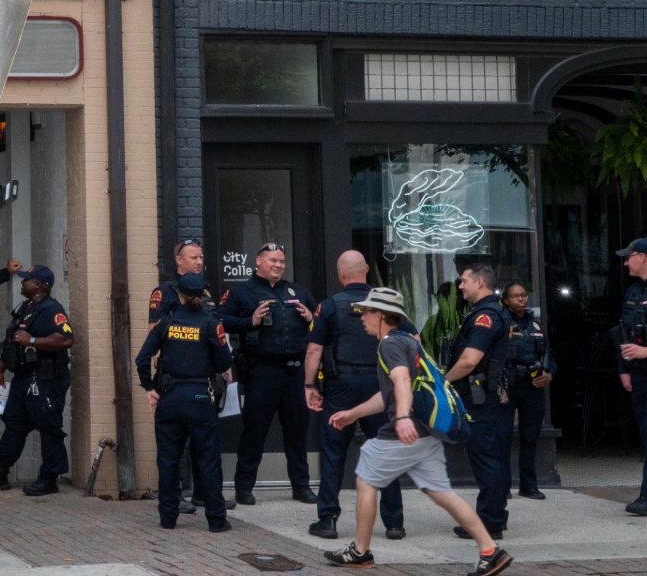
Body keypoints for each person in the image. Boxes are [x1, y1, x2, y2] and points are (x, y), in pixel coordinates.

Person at [321, 287, 511, 576]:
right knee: (442, 493)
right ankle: (490, 551)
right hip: (427, 433)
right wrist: (353, 414)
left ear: (382, 315)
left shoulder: (389, 345)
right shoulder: (410, 342)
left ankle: (360, 551)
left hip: (405, 431)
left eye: (367, 311)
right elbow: (389, 393)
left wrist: (401, 418)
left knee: (365, 480)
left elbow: (401, 381)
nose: (362, 317)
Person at [306, 251, 413, 541]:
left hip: (341, 385)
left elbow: (314, 350)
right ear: (367, 269)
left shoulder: (329, 306)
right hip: (380, 385)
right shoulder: (386, 304)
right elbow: (413, 341)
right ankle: (394, 524)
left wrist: (309, 387)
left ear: (341, 275)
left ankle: (327, 520)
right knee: (385, 452)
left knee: (332, 453)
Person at [219, 242, 318, 505]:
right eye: (272, 260)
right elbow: (220, 321)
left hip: (294, 372)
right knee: (255, 431)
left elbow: (322, 323)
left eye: (282, 262)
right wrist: (249, 322)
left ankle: (301, 486)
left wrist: (311, 318)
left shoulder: (296, 290)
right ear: (258, 261)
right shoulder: (241, 292)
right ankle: (244, 487)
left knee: (297, 433)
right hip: (262, 371)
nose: (278, 265)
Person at [137, 272, 234, 532]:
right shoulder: (211, 324)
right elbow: (225, 362)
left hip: (168, 397)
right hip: (200, 397)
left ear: (178, 295)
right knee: (208, 460)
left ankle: (168, 518)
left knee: (168, 460)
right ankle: (216, 520)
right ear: (202, 295)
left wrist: (149, 388)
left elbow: (142, 359)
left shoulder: (166, 323)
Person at [0, 264, 73, 495]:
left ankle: (49, 478)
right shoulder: (26, 308)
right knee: (14, 425)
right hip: (22, 378)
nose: (22, 283)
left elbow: (66, 339)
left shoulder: (52, 309)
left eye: (26, 280)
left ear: (39, 285)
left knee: (49, 428)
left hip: (45, 379)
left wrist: (32, 341)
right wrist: (0, 369)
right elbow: (12, 343)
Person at [443, 262, 515, 540]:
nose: (460, 286)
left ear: (480, 282)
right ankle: (494, 516)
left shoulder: (485, 316)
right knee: (490, 457)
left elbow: (469, 361)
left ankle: (490, 522)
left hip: (480, 398)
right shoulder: (484, 313)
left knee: (486, 458)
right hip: (484, 396)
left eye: (464, 281)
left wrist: (444, 382)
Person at [500, 282, 553, 501]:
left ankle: (528, 485)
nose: (521, 299)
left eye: (523, 295)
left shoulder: (535, 324)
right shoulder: (501, 322)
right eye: (515, 296)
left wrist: (549, 374)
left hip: (533, 385)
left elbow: (549, 354)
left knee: (530, 437)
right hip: (508, 385)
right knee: (502, 438)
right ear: (506, 300)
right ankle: (502, 486)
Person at [614, 237, 647, 517]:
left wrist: (645, 352)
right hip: (638, 376)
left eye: (629, 257)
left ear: (644, 258)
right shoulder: (633, 291)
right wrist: (623, 368)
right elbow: (623, 333)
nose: (626, 262)